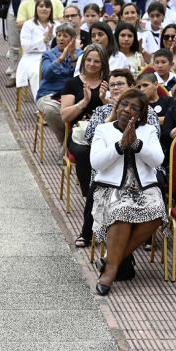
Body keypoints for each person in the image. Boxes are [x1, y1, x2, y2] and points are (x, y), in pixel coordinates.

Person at [90, 89, 165, 295]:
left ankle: (108, 259)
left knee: (157, 212)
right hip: (111, 187)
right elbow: (96, 163)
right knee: (122, 210)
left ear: (140, 114)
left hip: (144, 187)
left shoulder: (148, 130)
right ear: (117, 106)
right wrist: (120, 145)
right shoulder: (103, 130)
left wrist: (136, 144)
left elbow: (158, 160)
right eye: (124, 104)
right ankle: (111, 271)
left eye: (134, 108)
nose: (127, 110)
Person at [60, 43, 109, 246]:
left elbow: (119, 108)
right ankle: (89, 193)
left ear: (103, 63)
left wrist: (105, 100)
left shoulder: (108, 82)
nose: (92, 64)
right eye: (89, 60)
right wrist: (84, 102)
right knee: (83, 152)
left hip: (104, 133)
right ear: (83, 61)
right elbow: (64, 115)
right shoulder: (72, 84)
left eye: (97, 61)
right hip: (80, 133)